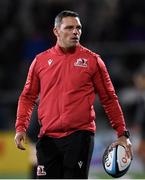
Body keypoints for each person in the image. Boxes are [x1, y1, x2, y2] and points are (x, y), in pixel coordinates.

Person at [14, 10, 133, 179]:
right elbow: (27, 97)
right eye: (69, 27)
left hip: (79, 137)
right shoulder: (40, 61)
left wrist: (122, 133)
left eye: (78, 28)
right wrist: (20, 127)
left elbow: (109, 98)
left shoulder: (93, 61)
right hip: (47, 138)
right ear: (56, 31)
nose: (75, 31)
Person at [133, 67, 145, 169]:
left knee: (140, 151)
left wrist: (140, 124)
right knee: (140, 152)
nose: (137, 83)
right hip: (142, 129)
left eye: (139, 81)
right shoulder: (141, 94)